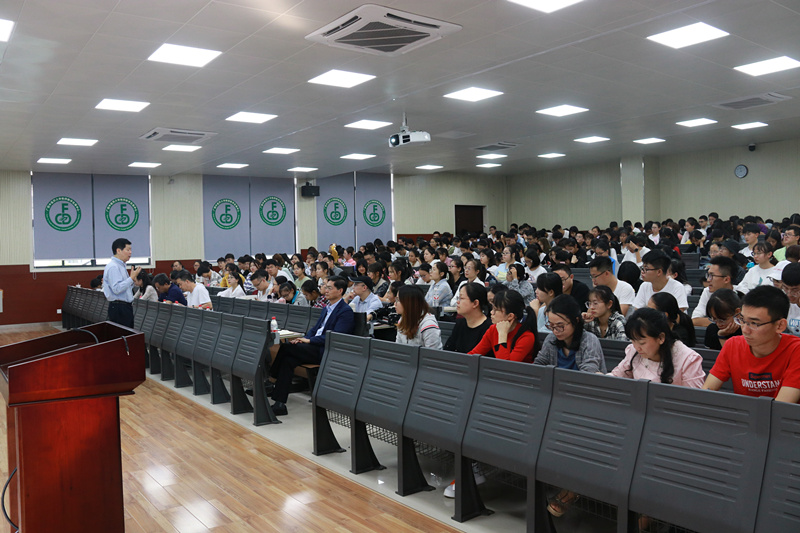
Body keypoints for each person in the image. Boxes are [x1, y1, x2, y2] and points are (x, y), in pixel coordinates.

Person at [268, 277, 355, 416]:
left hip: (325, 350)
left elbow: (336, 337)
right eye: (325, 287)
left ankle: (271, 378)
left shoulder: (345, 311)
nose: (326, 291)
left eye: (330, 288)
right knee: (288, 360)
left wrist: (310, 341)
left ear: (340, 291)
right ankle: (279, 404)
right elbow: (315, 329)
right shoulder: (327, 308)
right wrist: (304, 339)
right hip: (313, 346)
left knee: (285, 348)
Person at [703, 285, 800, 402]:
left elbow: (782, 407)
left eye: (754, 323)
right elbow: (706, 393)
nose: (745, 330)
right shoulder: (732, 345)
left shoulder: (795, 350)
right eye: (742, 320)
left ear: (780, 326)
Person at [609, 307, 705, 386]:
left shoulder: (687, 359)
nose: (637, 347)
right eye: (633, 341)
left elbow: (693, 398)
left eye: (642, 343)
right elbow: (617, 376)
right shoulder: (634, 350)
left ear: (661, 338)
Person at [534, 294, 606, 372]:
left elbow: (588, 372)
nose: (555, 331)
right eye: (551, 325)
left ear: (576, 321)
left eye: (560, 326)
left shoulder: (589, 340)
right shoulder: (551, 339)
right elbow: (538, 365)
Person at [469, 290, 537, 362]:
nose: (491, 312)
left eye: (495, 310)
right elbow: (473, 354)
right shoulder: (493, 329)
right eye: (492, 308)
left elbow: (505, 366)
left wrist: (502, 335)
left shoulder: (527, 337)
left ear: (510, 316)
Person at [102, 238, 141, 327]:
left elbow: (125, 288)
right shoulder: (113, 267)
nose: (130, 252)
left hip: (124, 307)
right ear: (118, 251)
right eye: (128, 250)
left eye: (131, 250)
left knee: (129, 333)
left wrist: (132, 281)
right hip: (119, 308)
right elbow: (117, 289)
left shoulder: (121, 266)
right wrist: (131, 278)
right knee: (123, 334)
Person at [443, 284, 492, 353]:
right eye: (458, 298)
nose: (457, 302)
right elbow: (447, 351)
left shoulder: (489, 328)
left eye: (461, 298)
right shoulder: (460, 324)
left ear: (475, 303)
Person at [691, 256, 738, 326]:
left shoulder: (741, 293)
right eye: (708, 275)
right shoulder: (707, 291)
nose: (708, 280)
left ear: (726, 279)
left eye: (712, 276)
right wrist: (724, 321)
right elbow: (695, 320)